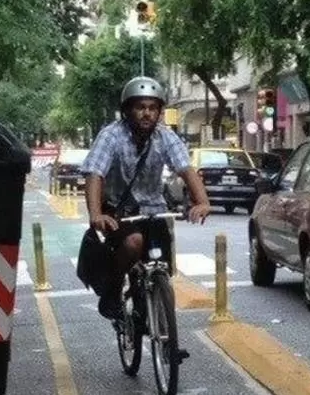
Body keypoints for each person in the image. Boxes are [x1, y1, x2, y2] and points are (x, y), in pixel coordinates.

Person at [81, 76, 212, 320]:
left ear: (159, 112)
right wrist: (96, 214)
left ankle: (153, 304)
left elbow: (186, 169)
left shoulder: (165, 136)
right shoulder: (111, 135)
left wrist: (202, 201)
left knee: (162, 265)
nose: (147, 114)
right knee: (134, 243)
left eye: (153, 108)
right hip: (118, 211)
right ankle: (112, 292)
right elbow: (95, 174)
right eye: (140, 107)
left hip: (154, 210)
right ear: (127, 110)